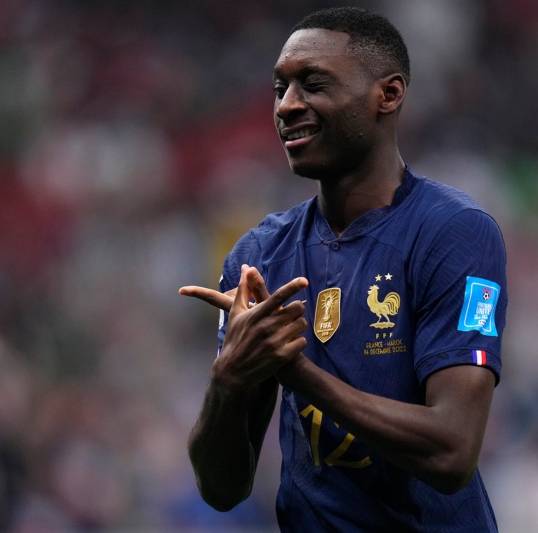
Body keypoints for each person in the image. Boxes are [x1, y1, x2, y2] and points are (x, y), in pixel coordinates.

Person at [179, 6, 508, 532]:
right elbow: (222, 489)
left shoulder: (453, 232)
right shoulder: (258, 257)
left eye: (312, 84)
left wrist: (298, 374)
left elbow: (452, 453)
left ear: (389, 95)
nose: (286, 106)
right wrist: (228, 380)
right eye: (279, 88)